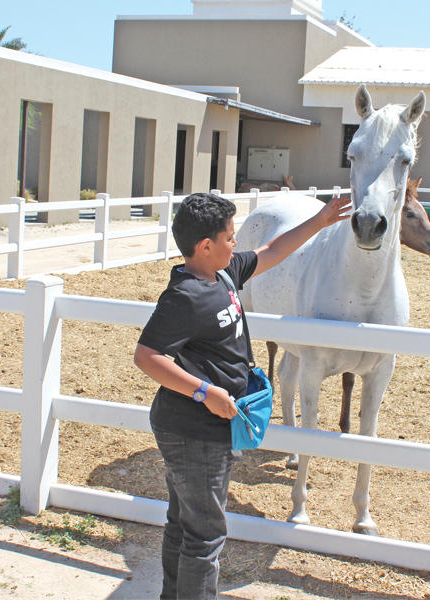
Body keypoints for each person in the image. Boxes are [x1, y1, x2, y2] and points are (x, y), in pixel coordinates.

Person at [134, 191, 351, 599]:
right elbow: (146, 356)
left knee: (184, 525)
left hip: (211, 426)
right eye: (230, 236)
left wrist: (320, 221)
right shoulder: (185, 296)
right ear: (205, 246)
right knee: (205, 536)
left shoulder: (225, 272)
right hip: (193, 429)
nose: (237, 243)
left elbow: (273, 250)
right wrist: (204, 391)